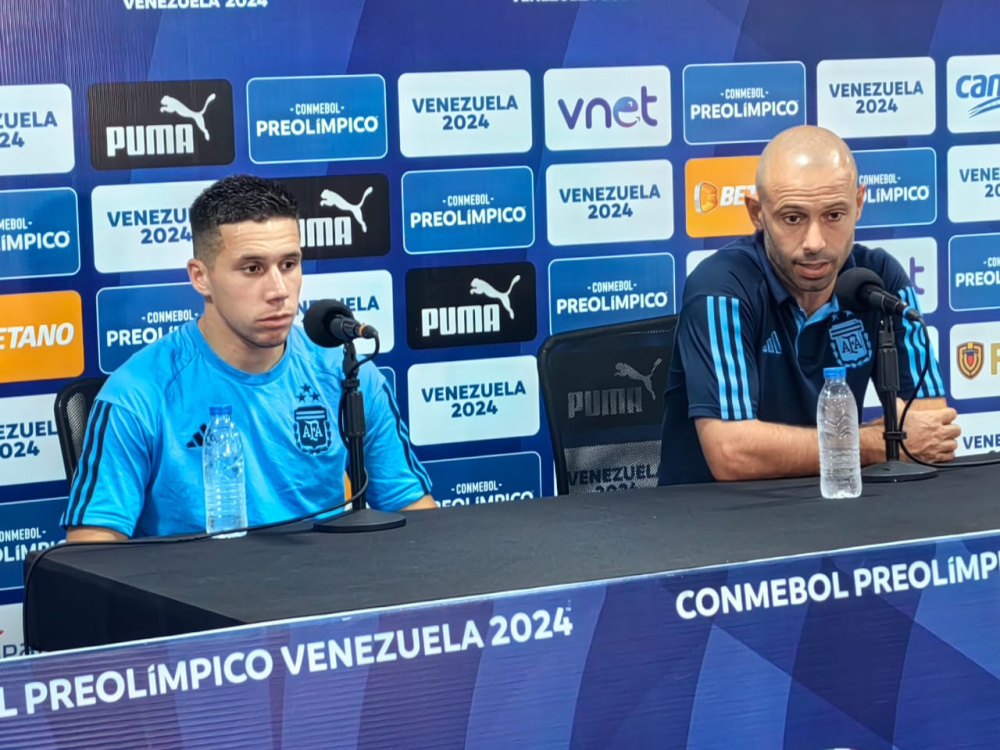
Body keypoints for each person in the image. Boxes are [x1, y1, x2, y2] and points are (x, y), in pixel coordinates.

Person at [62, 175, 434, 541]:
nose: (279, 290)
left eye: (289, 264)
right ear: (200, 277)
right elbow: (93, 549)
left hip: (326, 578)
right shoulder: (138, 393)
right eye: (252, 268)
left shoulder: (348, 373)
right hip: (194, 581)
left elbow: (416, 516)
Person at [658, 125, 959, 486]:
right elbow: (732, 453)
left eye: (834, 215)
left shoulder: (878, 281)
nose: (815, 243)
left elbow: (931, 428)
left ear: (859, 204)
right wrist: (877, 442)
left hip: (837, 502)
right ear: (757, 212)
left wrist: (880, 441)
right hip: (717, 514)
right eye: (793, 218)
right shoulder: (722, 287)